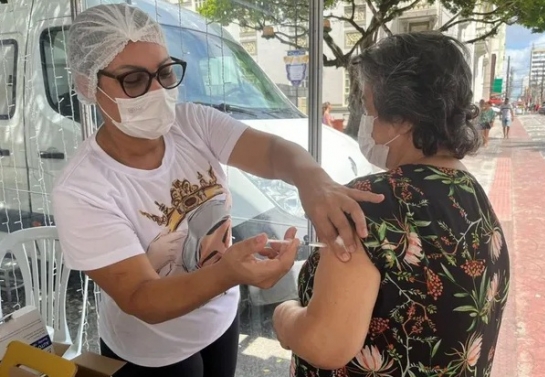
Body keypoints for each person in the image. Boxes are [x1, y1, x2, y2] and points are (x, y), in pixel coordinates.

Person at [52, 4, 383, 377]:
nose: (157, 91)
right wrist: (230, 273)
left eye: (164, 72)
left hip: (219, 320)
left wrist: (314, 182)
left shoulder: (191, 124)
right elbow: (141, 296)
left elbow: (274, 152)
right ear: (87, 85)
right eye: (134, 80)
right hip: (150, 350)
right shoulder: (83, 189)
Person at [273, 32, 510, 377]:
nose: (364, 123)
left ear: (402, 119)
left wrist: (284, 315)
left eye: (368, 109)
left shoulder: (370, 202)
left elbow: (325, 343)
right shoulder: (472, 193)